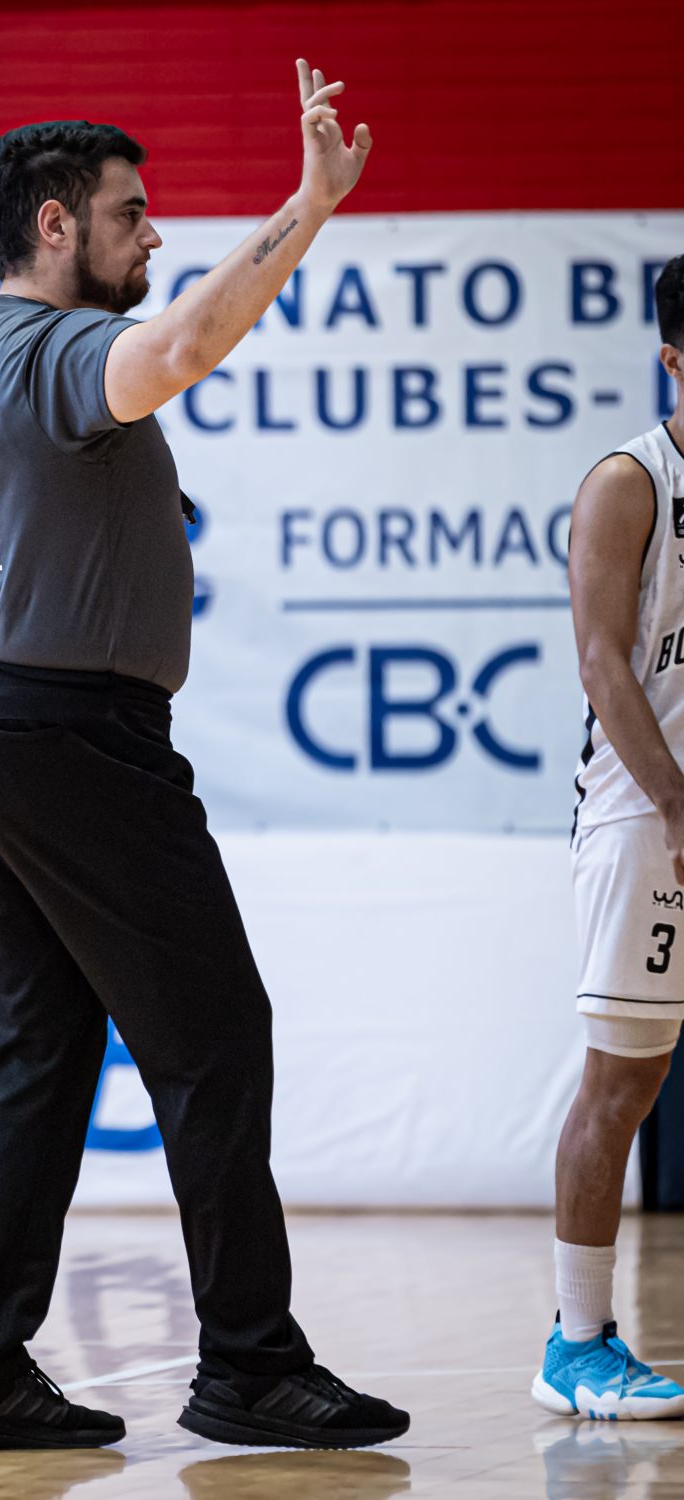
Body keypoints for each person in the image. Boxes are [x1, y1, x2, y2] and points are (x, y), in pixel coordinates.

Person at [0, 62, 411, 1451]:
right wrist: (308, 208)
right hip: (69, 739)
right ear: (55, 224)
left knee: (33, 1062)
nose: (153, 232)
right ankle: (248, 1361)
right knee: (214, 1033)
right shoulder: (59, 349)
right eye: (130, 214)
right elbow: (181, 347)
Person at [532, 255, 684, 1420]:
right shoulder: (631, 483)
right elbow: (601, 662)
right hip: (645, 813)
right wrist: (678, 807)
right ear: (674, 359)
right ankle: (576, 1344)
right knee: (623, 1081)